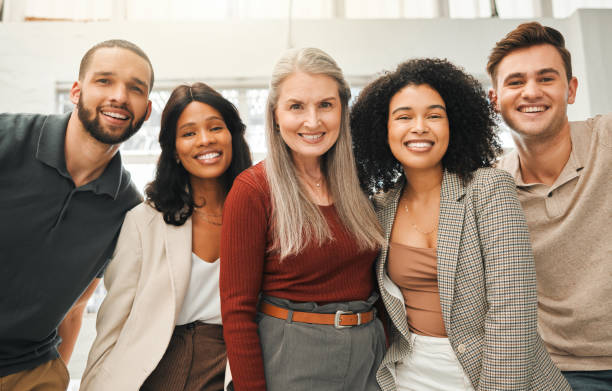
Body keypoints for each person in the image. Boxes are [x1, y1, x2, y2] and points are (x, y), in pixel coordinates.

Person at [351, 58, 571, 391]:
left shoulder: (489, 189)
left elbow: (513, 309)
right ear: (384, 129)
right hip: (411, 374)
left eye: (434, 115)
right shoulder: (379, 207)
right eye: (404, 117)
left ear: (454, 125)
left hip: (494, 370)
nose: (420, 127)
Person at [220, 47, 386, 391]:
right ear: (275, 115)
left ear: (343, 109)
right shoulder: (253, 190)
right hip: (294, 356)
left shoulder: (359, 184)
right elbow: (237, 311)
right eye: (296, 106)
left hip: (369, 355)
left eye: (326, 105)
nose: (313, 121)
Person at [0, 39, 153, 390]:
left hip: (32, 371)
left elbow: (74, 309)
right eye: (104, 81)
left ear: (145, 111)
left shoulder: (125, 209)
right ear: (76, 91)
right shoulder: (7, 138)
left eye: (135, 88)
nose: (119, 95)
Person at [79, 83, 252, 391]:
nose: (205, 140)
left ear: (233, 135)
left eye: (215, 128)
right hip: (156, 366)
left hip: (233, 366)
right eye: (188, 133)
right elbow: (114, 324)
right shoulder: (143, 223)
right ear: (173, 148)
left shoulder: (263, 215)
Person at [489, 22, 612, 390]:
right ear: (494, 100)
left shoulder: (606, 140)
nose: (531, 92)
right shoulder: (492, 186)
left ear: (570, 90)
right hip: (561, 372)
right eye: (515, 82)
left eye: (546, 78)